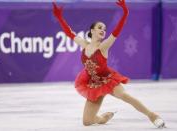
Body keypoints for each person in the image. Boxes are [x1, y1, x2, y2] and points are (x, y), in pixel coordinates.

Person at [52, 0, 166, 128]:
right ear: (92, 30)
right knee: (87, 121)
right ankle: (105, 117)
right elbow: (69, 33)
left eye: (105, 29)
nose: (103, 30)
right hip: (93, 84)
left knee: (124, 96)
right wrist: (60, 17)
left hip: (107, 79)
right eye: (100, 27)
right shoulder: (84, 44)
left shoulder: (104, 46)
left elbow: (116, 32)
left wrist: (125, 13)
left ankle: (153, 116)